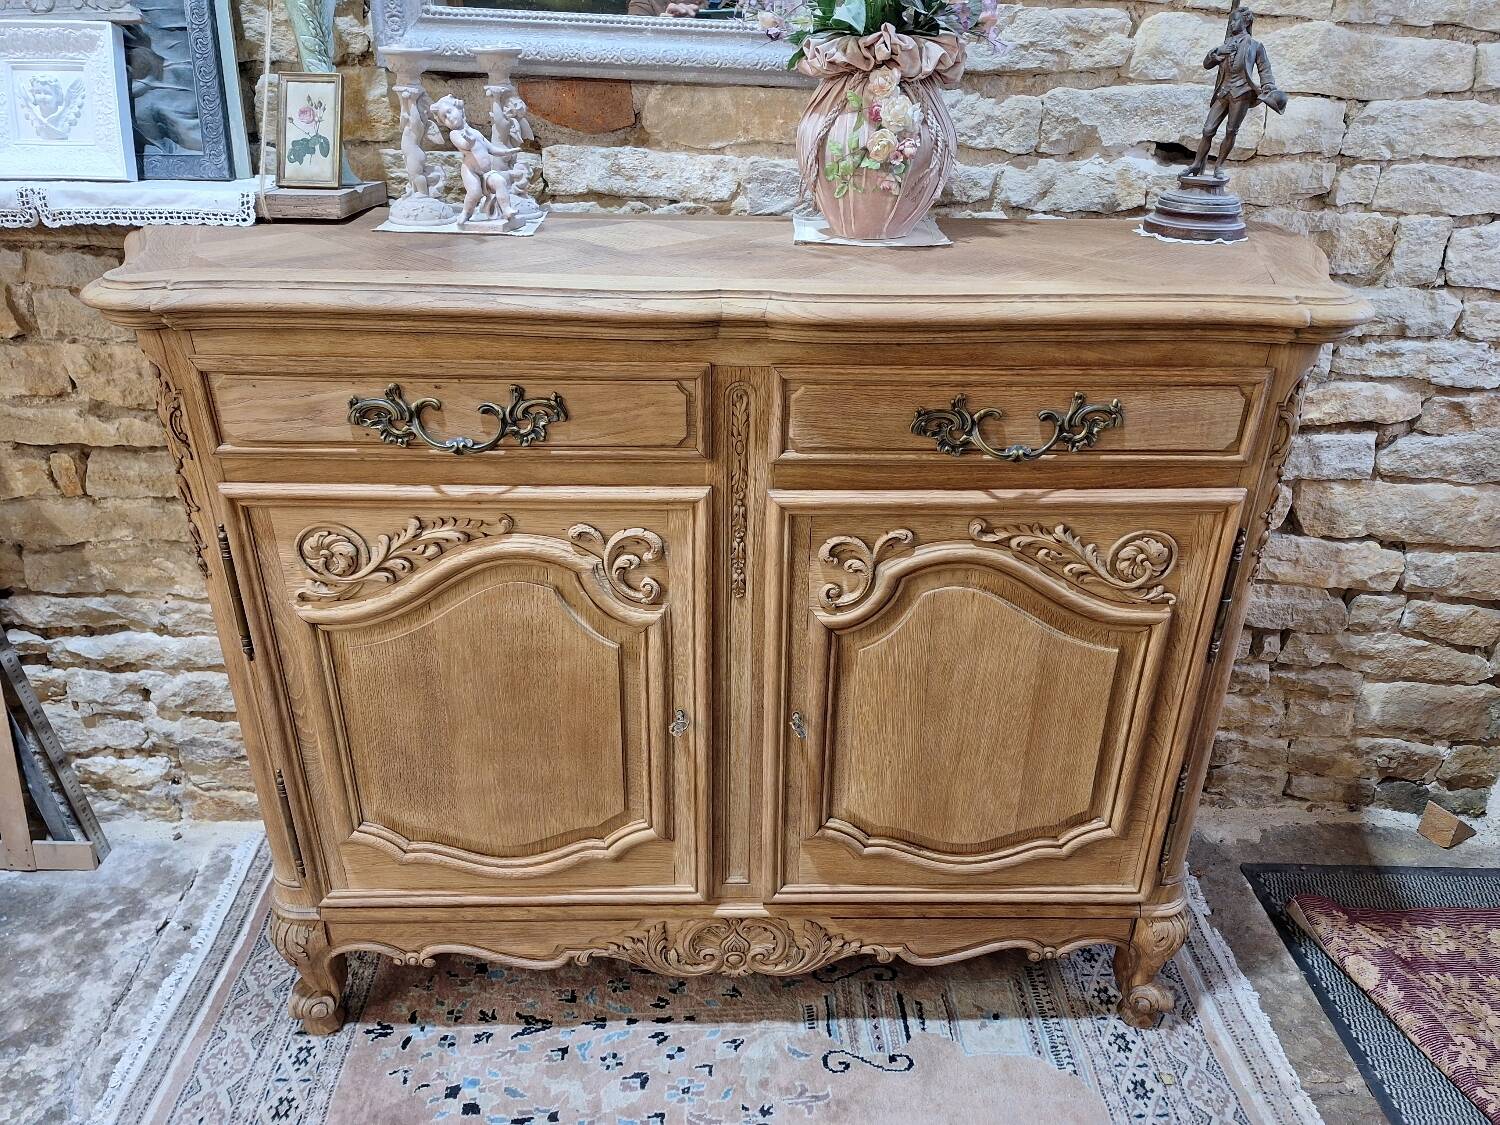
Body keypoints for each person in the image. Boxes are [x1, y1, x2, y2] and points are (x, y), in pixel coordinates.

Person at [1185, 5, 1286, 178]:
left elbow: (1264, 69)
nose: (1232, 25)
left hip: (1242, 93)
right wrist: (1216, 53)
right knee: (1208, 130)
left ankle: (1218, 167)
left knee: (1231, 130)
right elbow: (1207, 64)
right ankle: (1196, 164)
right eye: (1231, 22)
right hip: (1223, 92)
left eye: (1235, 21)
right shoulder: (1226, 44)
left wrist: (1268, 86)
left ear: (1246, 22)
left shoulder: (1255, 45)